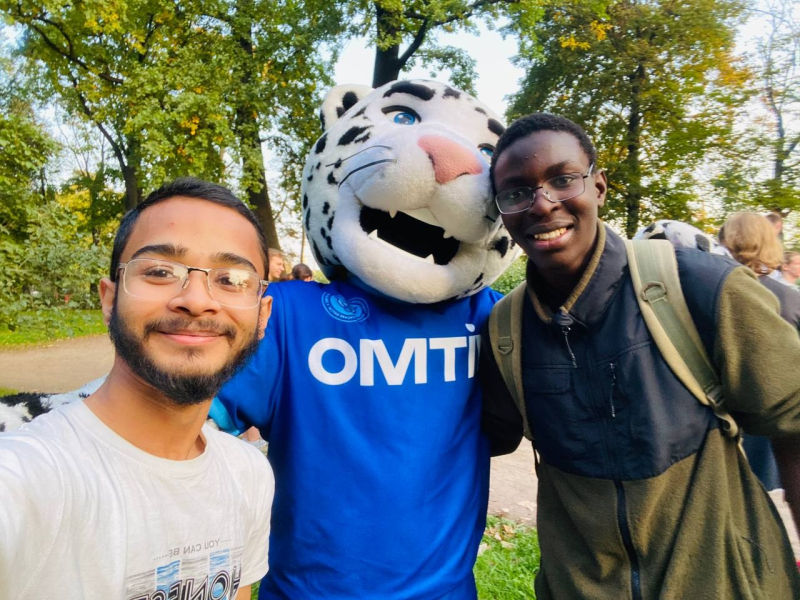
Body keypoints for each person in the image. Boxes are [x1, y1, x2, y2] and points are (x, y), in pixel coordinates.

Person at [481, 113, 800, 599]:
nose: (542, 205)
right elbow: (489, 438)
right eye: (516, 192)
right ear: (501, 211)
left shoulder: (702, 288)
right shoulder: (505, 330)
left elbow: (794, 423)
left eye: (563, 180)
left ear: (600, 187)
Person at [0, 178, 275, 600]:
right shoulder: (28, 479)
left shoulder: (248, 474)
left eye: (232, 278)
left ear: (261, 316)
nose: (197, 300)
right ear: (109, 300)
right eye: (161, 271)